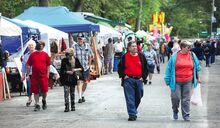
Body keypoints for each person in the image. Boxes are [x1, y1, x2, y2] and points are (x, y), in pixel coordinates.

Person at [164, 40, 201, 121]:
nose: (190, 49)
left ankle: (186, 115)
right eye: (188, 47)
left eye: (190, 47)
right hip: (176, 81)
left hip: (188, 80)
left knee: (186, 99)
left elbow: (197, 66)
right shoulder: (175, 56)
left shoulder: (192, 55)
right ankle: (175, 111)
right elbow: (169, 68)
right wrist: (167, 79)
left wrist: (198, 77)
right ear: (183, 47)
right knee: (175, 98)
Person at [118, 41, 148, 121]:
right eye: (133, 46)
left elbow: (146, 68)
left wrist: (143, 77)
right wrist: (124, 76)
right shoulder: (125, 56)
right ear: (129, 48)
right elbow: (120, 67)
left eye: (135, 46)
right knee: (130, 97)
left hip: (139, 80)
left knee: (139, 95)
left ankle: (133, 109)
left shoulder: (141, 56)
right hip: (128, 80)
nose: (135, 48)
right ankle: (132, 114)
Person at [26, 41, 50, 111]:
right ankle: (37, 104)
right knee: (35, 91)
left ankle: (44, 100)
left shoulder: (45, 55)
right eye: (39, 45)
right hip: (34, 76)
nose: (40, 46)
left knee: (44, 90)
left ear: (43, 46)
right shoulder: (32, 55)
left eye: (42, 45)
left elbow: (48, 65)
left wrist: (48, 74)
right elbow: (28, 64)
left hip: (43, 75)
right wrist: (27, 74)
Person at [60, 48, 83, 112]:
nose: (67, 56)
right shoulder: (64, 60)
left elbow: (81, 68)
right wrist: (67, 72)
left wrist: (75, 69)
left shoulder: (76, 60)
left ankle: (73, 106)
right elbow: (61, 70)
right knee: (66, 92)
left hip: (73, 78)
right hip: (66, 78)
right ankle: (66, 106)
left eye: (68, 54)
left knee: (72, 92)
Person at [73, 33, 93, 103]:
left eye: (81, 38)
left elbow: (91, 56)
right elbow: (72, 56)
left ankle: (82, 94)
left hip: (86, 67)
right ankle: (80, 97)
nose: (79, 40)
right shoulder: (74, 46)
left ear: (83, 39)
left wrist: (89, 65)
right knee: (79, 82)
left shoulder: (87, 46)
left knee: (85, 82)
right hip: (78, 68)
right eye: (78, 38)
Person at [21, 40, 36, 107]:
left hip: (37, 74)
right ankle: (29, 99)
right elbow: (23, 66)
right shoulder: (25, 56)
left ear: (34, 46)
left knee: (36, 87)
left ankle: (36, 101)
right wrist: (23, 75)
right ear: (27, 47)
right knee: (29, 86)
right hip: (28, 74)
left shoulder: (38, 54)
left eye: (32, 45)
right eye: (29, 45)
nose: (31, 46)